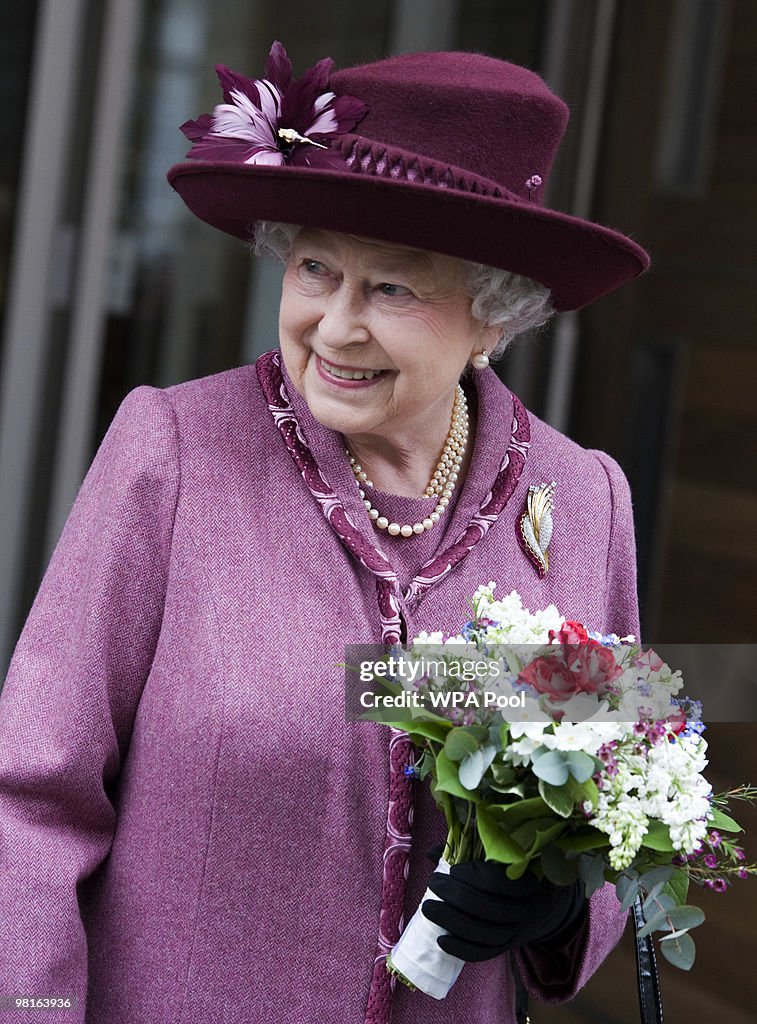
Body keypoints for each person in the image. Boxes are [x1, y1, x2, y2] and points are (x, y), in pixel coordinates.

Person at [0, 42, 648, 1024]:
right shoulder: (174, 452)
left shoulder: (582, 499)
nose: (335, 326)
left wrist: (559, 898)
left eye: (392, 288)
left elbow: (615, 801)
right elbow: (31, 802)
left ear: (493, 316)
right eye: (315, 268)